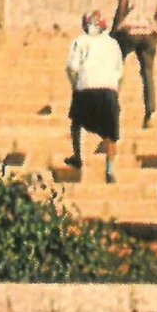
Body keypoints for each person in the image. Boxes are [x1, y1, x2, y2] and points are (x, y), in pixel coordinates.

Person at [64, 10, 124, 183]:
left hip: (85, 86)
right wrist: (116, 92)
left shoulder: (80, 41)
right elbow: (119, 72)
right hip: (108, 89)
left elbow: (72, 67)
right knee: (111, 133)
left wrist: (74, 86)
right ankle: (110, 169)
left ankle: (77, 157)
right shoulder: (113, 44)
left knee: (76, 122)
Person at [111, 0, 157, 126]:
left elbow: (122, 7)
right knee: (148, 72)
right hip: (149, 31)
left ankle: (112, 109)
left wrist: (114, 30)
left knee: (115, 67)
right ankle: (150, 113)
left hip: (130, 29)